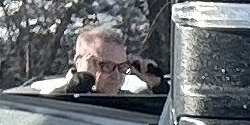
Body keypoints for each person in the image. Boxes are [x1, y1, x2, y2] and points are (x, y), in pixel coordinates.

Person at [19, 22, 164, 102]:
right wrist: (83, 80)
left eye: (121, 67)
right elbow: (51, 111)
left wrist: (158, 86)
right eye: (106, 65)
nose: (116, 76)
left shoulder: (127, 100)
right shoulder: (50, 93)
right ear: (80, 62)